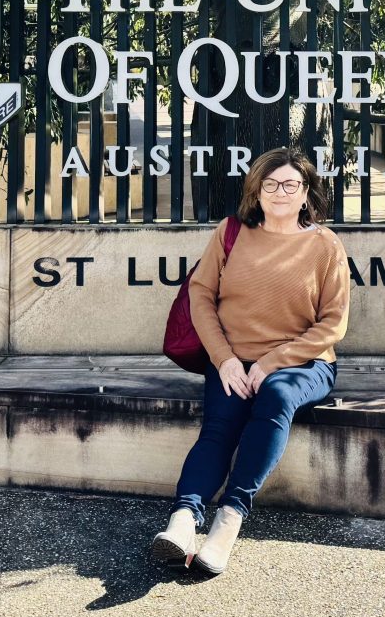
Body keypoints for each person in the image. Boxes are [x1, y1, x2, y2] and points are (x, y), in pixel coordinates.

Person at [150, 146, 352, 577]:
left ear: (305, 193)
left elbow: (333, 324)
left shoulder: (325, 244)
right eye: (271, 184)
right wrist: (224, 360)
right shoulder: (231, 232)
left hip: (304, 363)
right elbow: (201, 297)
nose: (280, 191)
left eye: (291, 184)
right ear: (256, 191)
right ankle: (184, 520)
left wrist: (274, 361)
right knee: (219, 426)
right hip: (233, 362)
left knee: (277, 395)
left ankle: (229, 519)